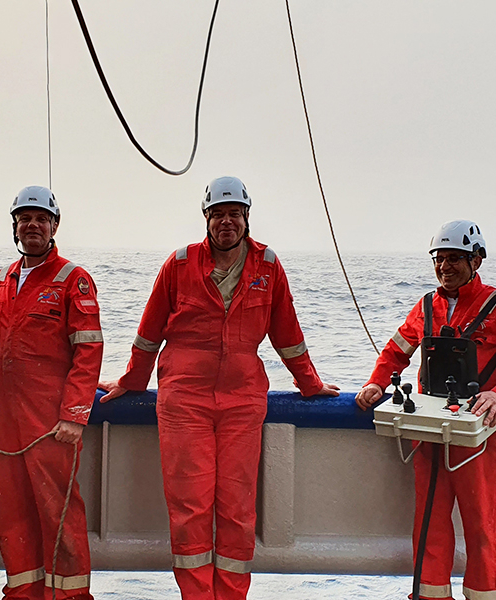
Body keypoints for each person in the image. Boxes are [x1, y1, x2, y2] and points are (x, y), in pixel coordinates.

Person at [99, 176, 339, 600]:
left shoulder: (268, 266)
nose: (226, 222)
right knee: (190, 508)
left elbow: (287, 334)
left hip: (243, 402)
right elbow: (149, 333)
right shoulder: (178, 264)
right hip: (183, 401)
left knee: (237, 509)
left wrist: (309, 383)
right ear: (206, 218)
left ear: (247, 218)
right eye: (218, 214)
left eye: (234, 214)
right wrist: (132, 381)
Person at [355, 220, 496, 600]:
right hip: (429, 431)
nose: (445, 267)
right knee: (429, 523)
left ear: (476, 260)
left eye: (455, 259)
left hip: (480, 432)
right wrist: (376, 382)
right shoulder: (427, 305)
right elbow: (397, 352)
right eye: (439, 259)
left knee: (482, 524)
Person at [0, 186, 102, 600]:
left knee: (60, 515)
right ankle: (22, 594)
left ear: (54, 226)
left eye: (41, 218)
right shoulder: (0, 280)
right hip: (1, 426)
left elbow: (89, 351)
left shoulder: (74, 279)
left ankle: (70, 598)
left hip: (49, 425)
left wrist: (74, 414)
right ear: (15, 227)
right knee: (11, 517)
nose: (32, 225)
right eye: (24, 218)